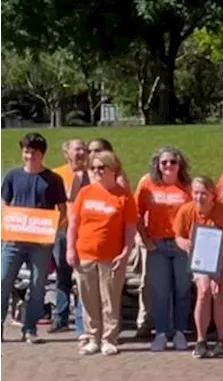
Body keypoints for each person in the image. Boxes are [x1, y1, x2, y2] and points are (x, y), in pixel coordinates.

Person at [0, 133, 67, 344]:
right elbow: (3, 205)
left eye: (34, 152)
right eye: (26, 151)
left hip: (41, 242)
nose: (30, 156)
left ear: (42, 154)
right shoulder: (12, 177)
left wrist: (53, 229)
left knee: (38, 285)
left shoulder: (53, 179)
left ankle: (30, 329)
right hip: (13, 240)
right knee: (3, 281)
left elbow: (63, 210)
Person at [66, 150, 135, 357]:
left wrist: (125, 252)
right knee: (88, 299)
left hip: (111, 256)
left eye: (100, 168)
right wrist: (70, 248)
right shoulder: (85, 192)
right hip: (85, 253)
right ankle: (92, 337)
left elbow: (130, 228)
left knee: (110, 300)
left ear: (112, 169)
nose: (96, 172)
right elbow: (73, 224)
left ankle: (109, 339)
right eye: (93, 168)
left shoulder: (124, 196)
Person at [136, 147, 194, 352]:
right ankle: (160, 333)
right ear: (158, 165)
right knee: (160, 291)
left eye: (173, 162)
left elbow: (198, 215)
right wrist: (145, 239)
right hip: (157, 245)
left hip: (181, 245)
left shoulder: (188, 186)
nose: (169, 166)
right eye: (164, 162)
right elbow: (136, 215)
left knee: (183, 289)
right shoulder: (147, 185)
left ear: (180, 165)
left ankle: (179, 332)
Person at [175, 177, 223, 359]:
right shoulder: (186, 210)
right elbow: (178, 236)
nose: (199, 197)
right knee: (203, 291)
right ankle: (201, 340)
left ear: (212, 195)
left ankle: (222, 340)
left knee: (218, 291)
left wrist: (219, 271)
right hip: (200, 258)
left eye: (204, 193)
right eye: (196, 193)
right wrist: (184, 243)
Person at [51, 137, 89, 333]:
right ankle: (61, 317)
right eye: (77, 149)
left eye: (84, 149)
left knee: (83, 277)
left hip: (86, 232)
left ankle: (83, 322)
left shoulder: (93, 174)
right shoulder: (57, 174)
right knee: (62, 275)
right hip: (62, 231)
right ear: (67, 153)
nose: (81, 152)